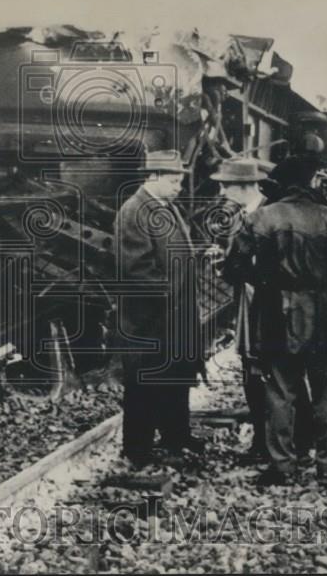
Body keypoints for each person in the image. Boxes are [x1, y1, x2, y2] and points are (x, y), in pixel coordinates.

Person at [228, 155, 327, 486]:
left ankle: (282, 466)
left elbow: (234, 267)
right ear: (310, 183)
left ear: (280, 185)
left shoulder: (260, 218)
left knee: (280, 393)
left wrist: (265, 281)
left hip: (276, 317)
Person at [214, 157, 313, 463]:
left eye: (226, 185)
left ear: (245, 186)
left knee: (280, 374)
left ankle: (297, 441)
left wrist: (236, 267)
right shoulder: (243, 215)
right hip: (251, 304)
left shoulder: (270, 214)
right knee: (253, 373)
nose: (221, 192)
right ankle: (264, 442)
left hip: (271, 308)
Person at [114, 149, 204, 466]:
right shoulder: (134, 211)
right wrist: (170, 297)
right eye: (174, 181)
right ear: (152, 177)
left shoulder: (166, 207)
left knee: (175, 378)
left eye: (180, 181)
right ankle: (137, 450)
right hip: (149, 320)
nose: (179, 187)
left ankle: (176, 436)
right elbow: (136, 269)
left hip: (173, 315)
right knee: (144, 385)